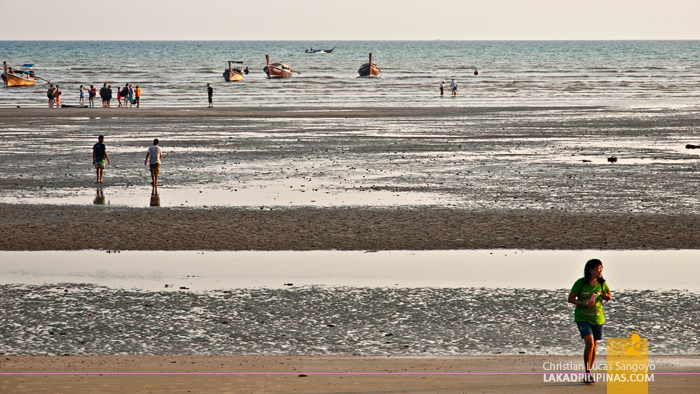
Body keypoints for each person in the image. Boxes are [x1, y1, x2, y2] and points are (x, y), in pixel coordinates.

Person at [568, 259, 612, 384]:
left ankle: (589, 371)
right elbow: (570, 299)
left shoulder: (602, 283)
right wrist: (582, 303)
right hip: (582, 317)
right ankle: (588, 373)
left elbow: (609, 295)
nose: (600, 270)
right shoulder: (580, 283)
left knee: (594, 345)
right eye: (597, 268)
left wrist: (605, 296)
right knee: (589, 343)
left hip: (597, 318)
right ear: (590, 270)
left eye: (601, 268)